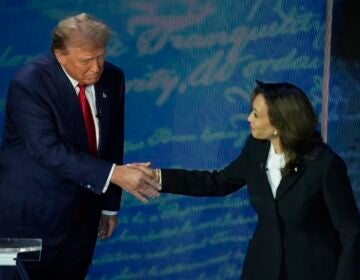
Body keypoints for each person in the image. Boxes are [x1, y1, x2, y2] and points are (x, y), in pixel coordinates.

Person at [130, 81, 360, 280]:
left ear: (280, 124)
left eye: (256, 114)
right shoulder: (256, 149)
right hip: (262, 268)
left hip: (313, 272)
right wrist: (158, 177)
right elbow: (218, 182)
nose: (248, 118)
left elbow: (350, 231)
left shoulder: (324, 165)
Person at [0, 13, 160, 280]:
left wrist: (109, 207)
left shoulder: (112, 77)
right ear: (60, 56)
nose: (97, 67)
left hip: (81, 221)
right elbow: (46, 149)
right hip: (24, 221)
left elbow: (111, 142)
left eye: (101, 56)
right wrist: (115, 175)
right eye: (87, 60)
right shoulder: (29, 83)